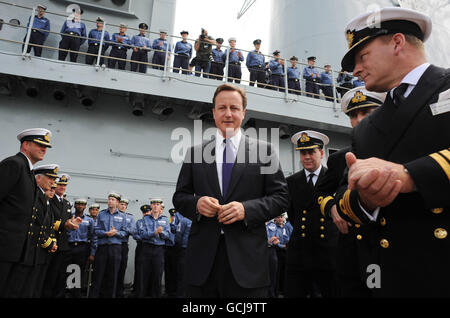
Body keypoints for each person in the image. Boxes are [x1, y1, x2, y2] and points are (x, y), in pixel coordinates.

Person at [334, 7, 450, 297]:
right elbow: (343, 202)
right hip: (390, 278)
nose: (355, 70)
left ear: (397, 43)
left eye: (363, 57)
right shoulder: (364, 129)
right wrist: (366, 199)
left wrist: (410, 175)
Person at [173, 83, 289, 297]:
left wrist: (247, 210)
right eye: (222, 107)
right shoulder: (194, 152)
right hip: (202, 265)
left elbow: (281, 198)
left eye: (234, 108)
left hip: (248, 264)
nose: (228, 114)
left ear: (243, 113)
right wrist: (196, 204)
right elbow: (180, 198)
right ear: (214, 112)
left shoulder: (265, 151)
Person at [315, 87, 386, 297]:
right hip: (349, 247)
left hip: (385, 247)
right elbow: (320, 192)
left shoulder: (398, 150)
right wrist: (332, 208)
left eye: (366, 112)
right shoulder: (339, 159)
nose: (358, 119)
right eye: (353, 115)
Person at [285, 130, 339, 298]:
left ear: (321, 153)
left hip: (327, 253)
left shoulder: (334, 178)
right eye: (303, 153)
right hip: (299, 252)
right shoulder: (291, 181)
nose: (306, 157)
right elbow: (292, 213)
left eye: (311, 152)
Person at [0, 128, 52, 297]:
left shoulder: (28, 172)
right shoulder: (14, 164)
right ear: (26, 145)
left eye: (46, 146)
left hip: (17, 250)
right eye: (39, 145)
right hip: (5, 246)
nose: (44, 149)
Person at [42, 173, 81, 298]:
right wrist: (66, 225)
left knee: (61, 275)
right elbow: (48, 221)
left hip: (63, 244)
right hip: (50, 242)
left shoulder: (67, 203)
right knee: (49, 275)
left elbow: (68, 221)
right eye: (60, 184)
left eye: (64, 185)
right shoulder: (49, 199)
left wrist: (72, 223)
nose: (62, 187)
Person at [90, 192, 127, 298]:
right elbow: (96, 231)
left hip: (115, 249)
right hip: (102, 248)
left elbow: (125, 233)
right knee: (98, 275)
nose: (110, 201)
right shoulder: (101, 214)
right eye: (109, 199)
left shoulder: (122, 216)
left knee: (113, 276)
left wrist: (116, 233)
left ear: (117, 202)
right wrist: (106, 233)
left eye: (113, 200)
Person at [138, 199, 173, 298]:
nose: (156, 206)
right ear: (151, 206)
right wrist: (154, 233)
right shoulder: (145, 219)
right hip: (146, 249)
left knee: (157, 275)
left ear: (160, 206)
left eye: (158, 204)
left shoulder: (165, 220)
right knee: (144, 275)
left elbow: (167, 235)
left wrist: (161, 232)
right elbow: (142, 234)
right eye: (154, 204)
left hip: (159, 250)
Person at [66, 198, 95, 298]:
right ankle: (68, 292)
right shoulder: (69, 217)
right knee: (68, 269)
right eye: (78, 204)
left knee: (79, 271)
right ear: (75, 206)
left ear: (85, 207)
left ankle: (76, 294)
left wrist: (92, 253)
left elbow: (93, 236)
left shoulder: (89, 220)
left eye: (82, 205)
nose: (80, 206)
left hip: (82, 247)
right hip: (69, 246)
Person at [164, 207, 191, 298]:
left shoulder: (184, 220)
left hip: (184, 249)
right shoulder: (185, 219)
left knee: (182, 274)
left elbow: (178, 236)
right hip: (186, 249)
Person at [116, 198, 136, 298]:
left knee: (122, 268)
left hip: (123, 245)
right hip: (113, 244)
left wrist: (123, 229)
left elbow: (132, 230)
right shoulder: (113, 215)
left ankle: (119, 291)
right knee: (111, 269)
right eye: (121, 204)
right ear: (117, 205)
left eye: (124, 205)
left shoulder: (130, 217)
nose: (123, 206)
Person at [132, 204, 151, 297]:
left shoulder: (154, 221)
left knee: (150, 269)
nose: (146, 214)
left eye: (147, 212)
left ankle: (149, 290)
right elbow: (134, 234)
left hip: (150, 247)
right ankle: (138, 289)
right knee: (139, 268)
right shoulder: (139, 222)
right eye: (144, 212)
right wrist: (143, 238)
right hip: (141, 246)